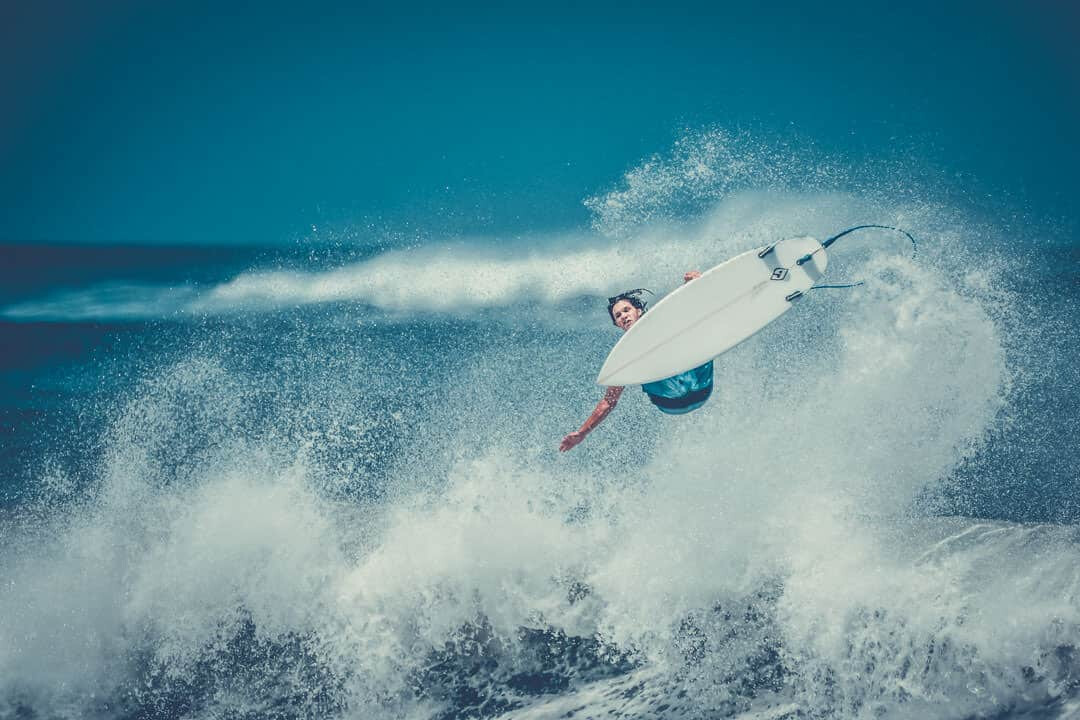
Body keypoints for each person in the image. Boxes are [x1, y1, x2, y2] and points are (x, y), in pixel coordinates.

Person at [559, 270, 713, 452]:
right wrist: (582, 433)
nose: (623, 316)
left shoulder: (665, 324)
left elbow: (686, 314)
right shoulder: (624, 356)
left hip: (702, 386)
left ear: (638, 311)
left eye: (626, 310)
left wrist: (694, 287)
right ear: (616, 324)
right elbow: (609, 401)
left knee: (688, 331)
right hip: (670, 403)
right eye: (618, 316)